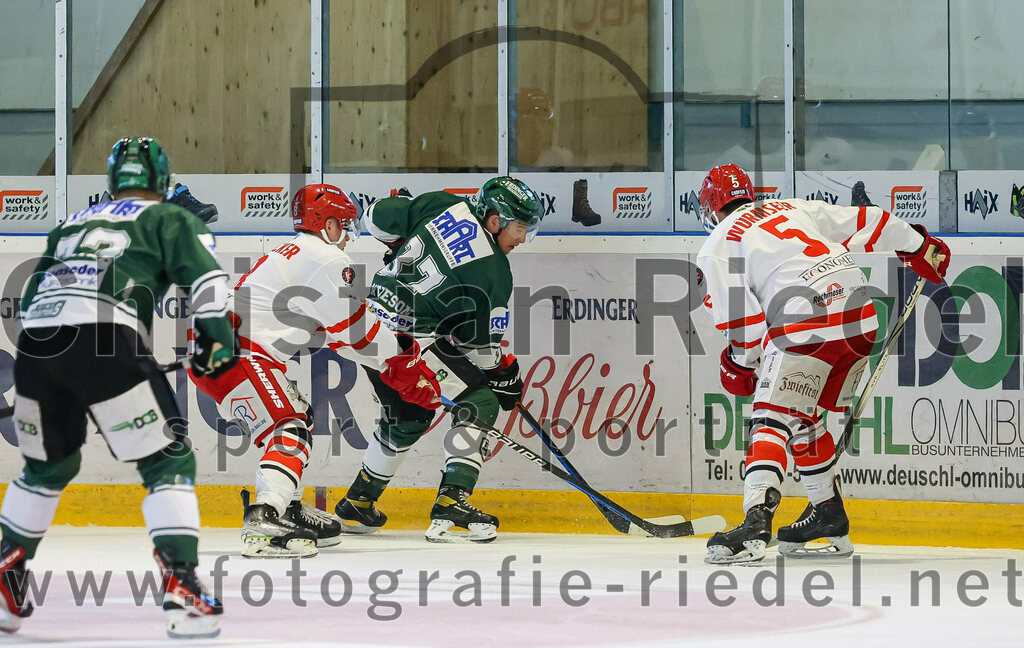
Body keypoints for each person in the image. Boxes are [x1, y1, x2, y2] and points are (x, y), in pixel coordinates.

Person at [0, 137, 236, 637]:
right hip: (105, 337)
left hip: (37, 344)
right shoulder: (170, 217)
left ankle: (5, 578)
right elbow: (210, 282)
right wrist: (216, 340)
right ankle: (182, 590)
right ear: (162, 181)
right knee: (167, 458)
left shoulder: (71, 223)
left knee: (49, 466)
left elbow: (35, 294)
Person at [695, 164, 950, 564]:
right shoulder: (791, 207)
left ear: (710, 209)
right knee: (804, 411)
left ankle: (755, 520)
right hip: (861, 315)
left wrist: (740, 364)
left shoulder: (716, 243)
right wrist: (919, 244)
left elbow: (744, 329)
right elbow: (869, 220)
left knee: (771, 416)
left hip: (806, 322)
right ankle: (827, 512)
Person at [189, 183, 440, 558]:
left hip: (220, 347)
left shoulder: (296, 253)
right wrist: (403, 364)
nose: (348, 235)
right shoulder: (327, 259)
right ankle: (265, 517)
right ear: (327, 224)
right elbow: (358, 333)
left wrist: (397, 362)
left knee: (297, 418)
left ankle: (285, 506)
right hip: (239, 350)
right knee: (287, 427)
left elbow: (341, 337)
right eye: (344, 224)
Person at [335, 176, 543, 543]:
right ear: (494, 220)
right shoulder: (494, 271)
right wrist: (503, 373)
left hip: (365, 329)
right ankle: (452, 502)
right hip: (407, 343)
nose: (522, 239)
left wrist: (397, 243)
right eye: (519, 228)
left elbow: (376, 218)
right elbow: (478, 347)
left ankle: (358, 502)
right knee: (480, 400)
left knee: (410, 415)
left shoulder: (440, 203)